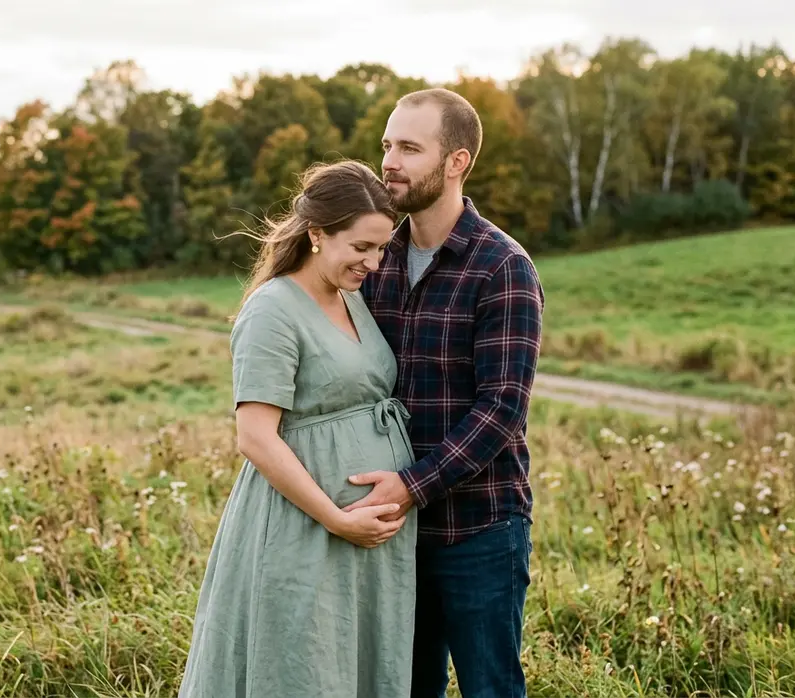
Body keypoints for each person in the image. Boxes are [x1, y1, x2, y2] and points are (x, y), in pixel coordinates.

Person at [179, 159, 417, 698]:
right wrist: (336, 518)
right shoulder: (273, 310)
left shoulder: (352, 297)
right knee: (300, 667)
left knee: (352, 664)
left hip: (365, 539)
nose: (374, 263)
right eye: (360, 247)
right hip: (304, 527)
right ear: (316, 234)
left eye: (381, 248)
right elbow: (255, 437)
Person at [349, 88, 545, 698]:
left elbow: (501, 409)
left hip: (478, 528)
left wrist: (411, 486)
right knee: (403, 688)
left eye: (409, 148)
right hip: (391, 534)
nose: (390, 162)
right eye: (386, 145)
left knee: (491, 689)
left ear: (456, 162)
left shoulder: (501, 266)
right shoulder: (373, 259)